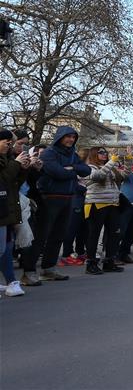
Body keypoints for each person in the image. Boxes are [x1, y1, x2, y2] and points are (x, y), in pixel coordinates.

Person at [21, 126, 90, 285]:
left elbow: (86, 170)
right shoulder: (49, 153)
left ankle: (49, 268)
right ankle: (29, 272)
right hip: (49, 198)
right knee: (41, 236)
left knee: (58, 235)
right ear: (60, 137)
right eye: (68, 137)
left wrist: (71, 168)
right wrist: (74, 171)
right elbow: (57, 172)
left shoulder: (72, 154)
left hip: (67, 198)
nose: (71, 140)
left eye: (73, 137)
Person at [81, 147, 126, 275]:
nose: (104, 154)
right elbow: (98, 176)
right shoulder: (89, 167)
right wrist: (111, 162)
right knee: (94, 235)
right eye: (101, 152)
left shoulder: (109, 167)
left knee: (114, 234)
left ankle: (109, 261)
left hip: (112, 204)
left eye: (105, 152)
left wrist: (128, 160)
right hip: (96, 204)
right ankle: (91, 263)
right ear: (94, 154)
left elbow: (125, 175)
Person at [1, 129, 29, 297]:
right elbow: (3, 179)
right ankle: (11, 281)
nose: (10, 146)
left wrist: (24, 169)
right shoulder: (9, 160)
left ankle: (11, 282)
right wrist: (16, 164)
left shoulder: (8, 159)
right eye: (8, 142)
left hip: (7, 207)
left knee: (6, 247)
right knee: (3, 248)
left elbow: (14, 183)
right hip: (3, 208)